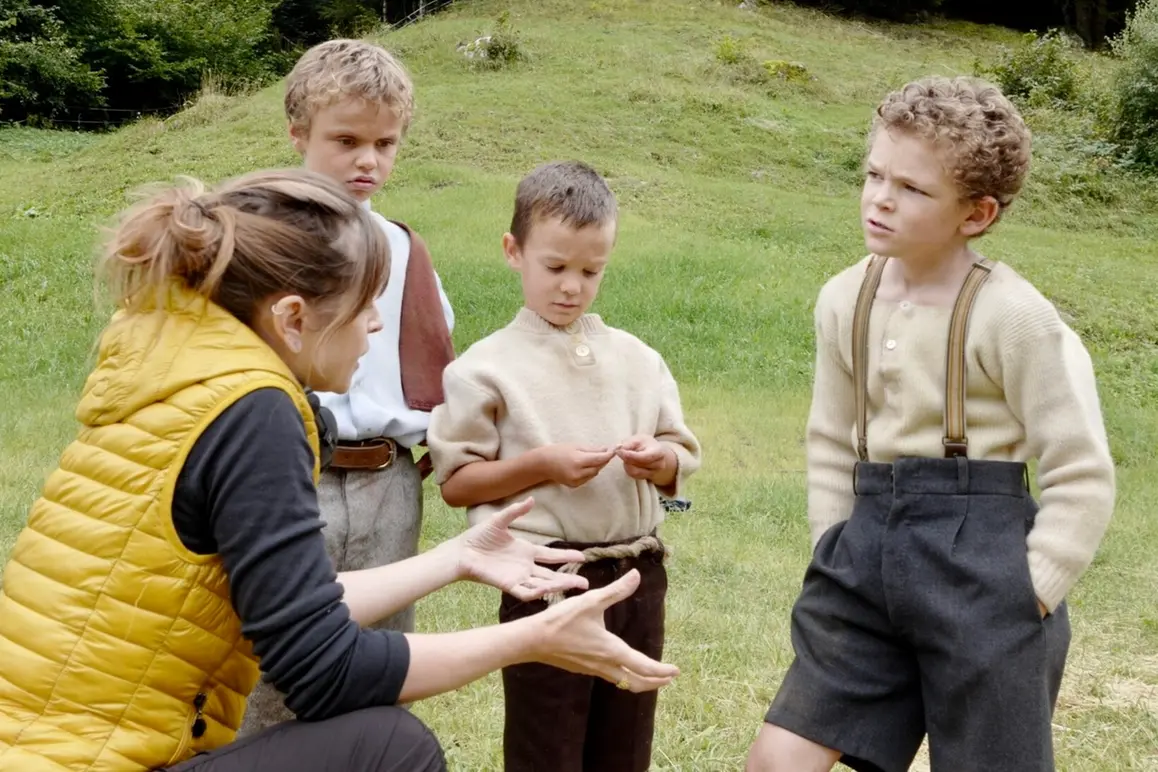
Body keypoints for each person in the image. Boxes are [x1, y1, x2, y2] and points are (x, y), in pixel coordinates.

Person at [0, 167, 679, 772]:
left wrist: (458, 557)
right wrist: (530, 638)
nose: (376, 330)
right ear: (293, 318)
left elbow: (296, 605)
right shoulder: (251, 408)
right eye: (365, 308)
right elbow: (322, 670)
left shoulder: (180, 365)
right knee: (390, 745)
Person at [745, 76, 1116, 772]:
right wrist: (833, 540)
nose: (881, 197)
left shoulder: (1015, 317)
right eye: (875, 175)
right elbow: (830, 438)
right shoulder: (842, 299)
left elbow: (1080, 468)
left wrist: (1032, 589)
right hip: (865, 559)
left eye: (913, 190)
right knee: (777, 760)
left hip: (985, 571)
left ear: (975, 215)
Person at [426, 160, 702, 772]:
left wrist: (660, 462)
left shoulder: (638, 359)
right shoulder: (483, 367)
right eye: (555, 267)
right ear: (513, 251)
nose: (571, 286)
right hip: (544, 576)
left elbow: (680, 455)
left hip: (637, 572)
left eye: (590, 271)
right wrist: (541, 464)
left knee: (626, 736)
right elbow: (457, 483)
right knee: (546, 740)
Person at [241, 38, 455, 732]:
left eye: (385, 143)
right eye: (346, 140)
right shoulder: (258, 237)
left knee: (373, 666)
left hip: (386, 482)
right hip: (289, 471)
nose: (368, 160)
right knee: (265, 667)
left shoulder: (400, 246)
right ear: (297, 134)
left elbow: (432, 356)